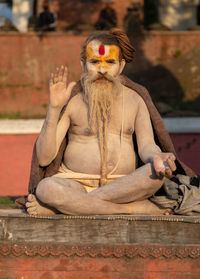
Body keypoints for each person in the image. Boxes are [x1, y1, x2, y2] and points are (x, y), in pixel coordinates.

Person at [25, 28, 192, 216]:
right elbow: (45, 158)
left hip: (124, 185)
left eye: (110, 62)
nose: (102, 69)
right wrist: (54, 108)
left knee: (154, 175)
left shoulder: (135, 99)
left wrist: (157, 158)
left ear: (121, 66)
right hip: (75, 183)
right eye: (94, 62)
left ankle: (65, 208)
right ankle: (132, 209)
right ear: (83, 64)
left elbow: (146, 145)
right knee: (47, 188)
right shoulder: (73, 101)